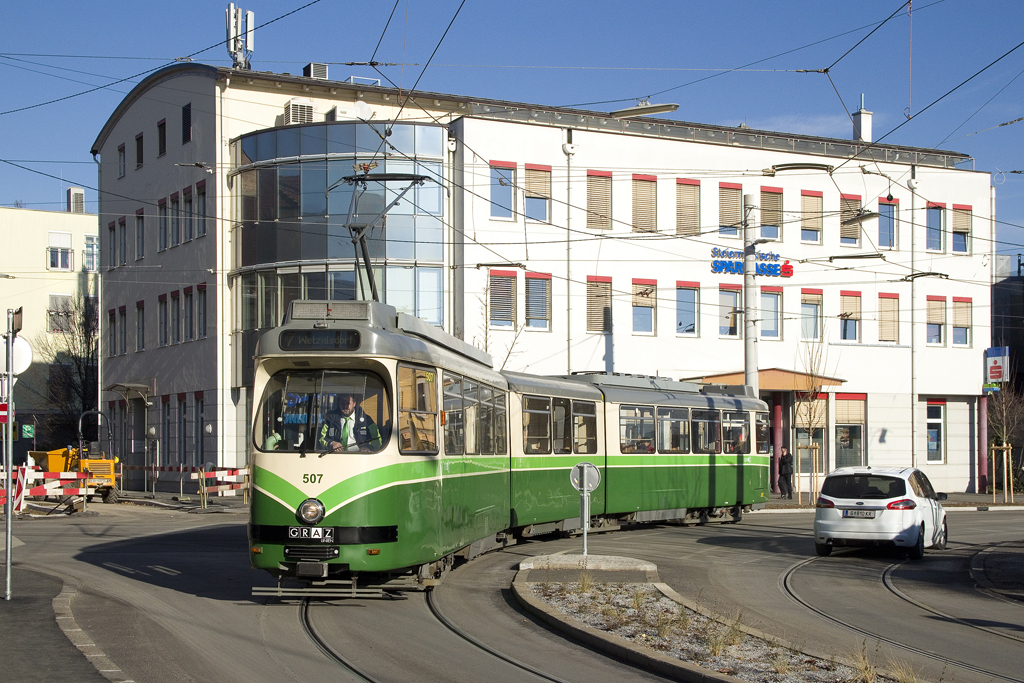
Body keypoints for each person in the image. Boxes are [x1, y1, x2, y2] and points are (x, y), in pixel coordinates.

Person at [318, 394, 382, 454]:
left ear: (354, 404)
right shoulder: (330, 419)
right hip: (336, 456)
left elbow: (378, 440)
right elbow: (321, 438)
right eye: (342, 403)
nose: (345, 406)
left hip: (359, 456)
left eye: (347, 403)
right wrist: (331, 443)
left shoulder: (366, 420)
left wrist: (368, 447)